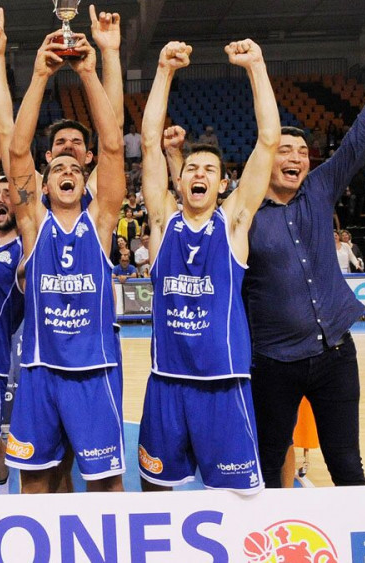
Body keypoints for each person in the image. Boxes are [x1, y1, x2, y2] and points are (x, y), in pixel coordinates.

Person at [243, 18, 365, 488]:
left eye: (301, 151)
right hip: (274, 362)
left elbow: (362, 134)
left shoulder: (319, 187)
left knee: (347, 465)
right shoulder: (243, 212)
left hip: (336, 354)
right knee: (268, 460)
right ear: (266, 157)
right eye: (285, 150)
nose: (296, 157)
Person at [138, 38, 278, 493]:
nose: (198, 174)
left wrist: (256, 67)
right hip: (167, 382)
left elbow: (269, 141)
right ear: (178, 181)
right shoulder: (162, 221)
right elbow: (148, 142)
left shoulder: (234, 224)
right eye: (191, 168)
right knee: (156, 492)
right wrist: (163, 70)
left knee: (238, 497)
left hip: (224, 382)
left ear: (223, 184)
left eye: (209, 170)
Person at [5, 21, 126, 493]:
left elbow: (113, 146)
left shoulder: (101, 224)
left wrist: (91, 74)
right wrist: (38, 77)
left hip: (93, 371)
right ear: (45, 183)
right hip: (39, 371)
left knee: (106, 485)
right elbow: (17, 151)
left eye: (76, 167)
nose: (67, 170)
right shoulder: (33, 228)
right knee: (36, 483)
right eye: (57, 167)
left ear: (85, 178)